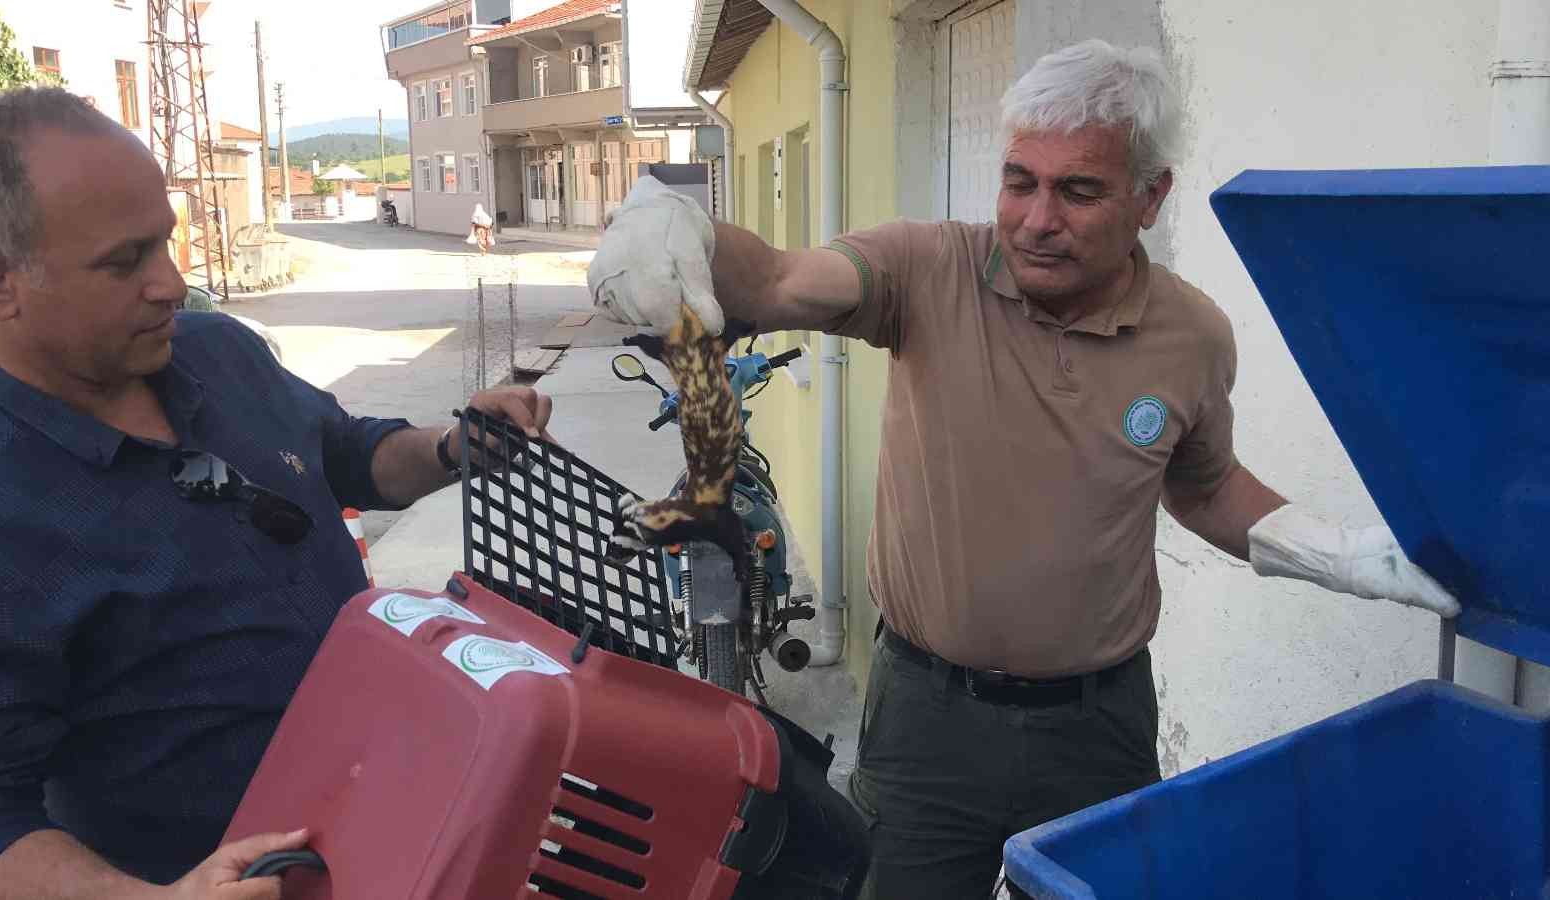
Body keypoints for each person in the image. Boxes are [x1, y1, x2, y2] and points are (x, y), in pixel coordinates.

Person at [586, 39, 1460, 900]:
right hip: (927, 719)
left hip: (1100, 724)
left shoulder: (1191, 336)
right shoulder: (926, 270)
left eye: (1079, 190)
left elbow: (1205, 485)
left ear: (1149, 198)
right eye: (1020, 182)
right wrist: (685, 229)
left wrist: (1345, 554)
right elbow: (779, 278)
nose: (1039, 220)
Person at [0, 87, 552, 899]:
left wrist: (453, 449)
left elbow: (348, 452)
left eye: (165, 243)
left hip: (419, 811)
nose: (171, 283)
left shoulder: (218, 352)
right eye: (124, 262)